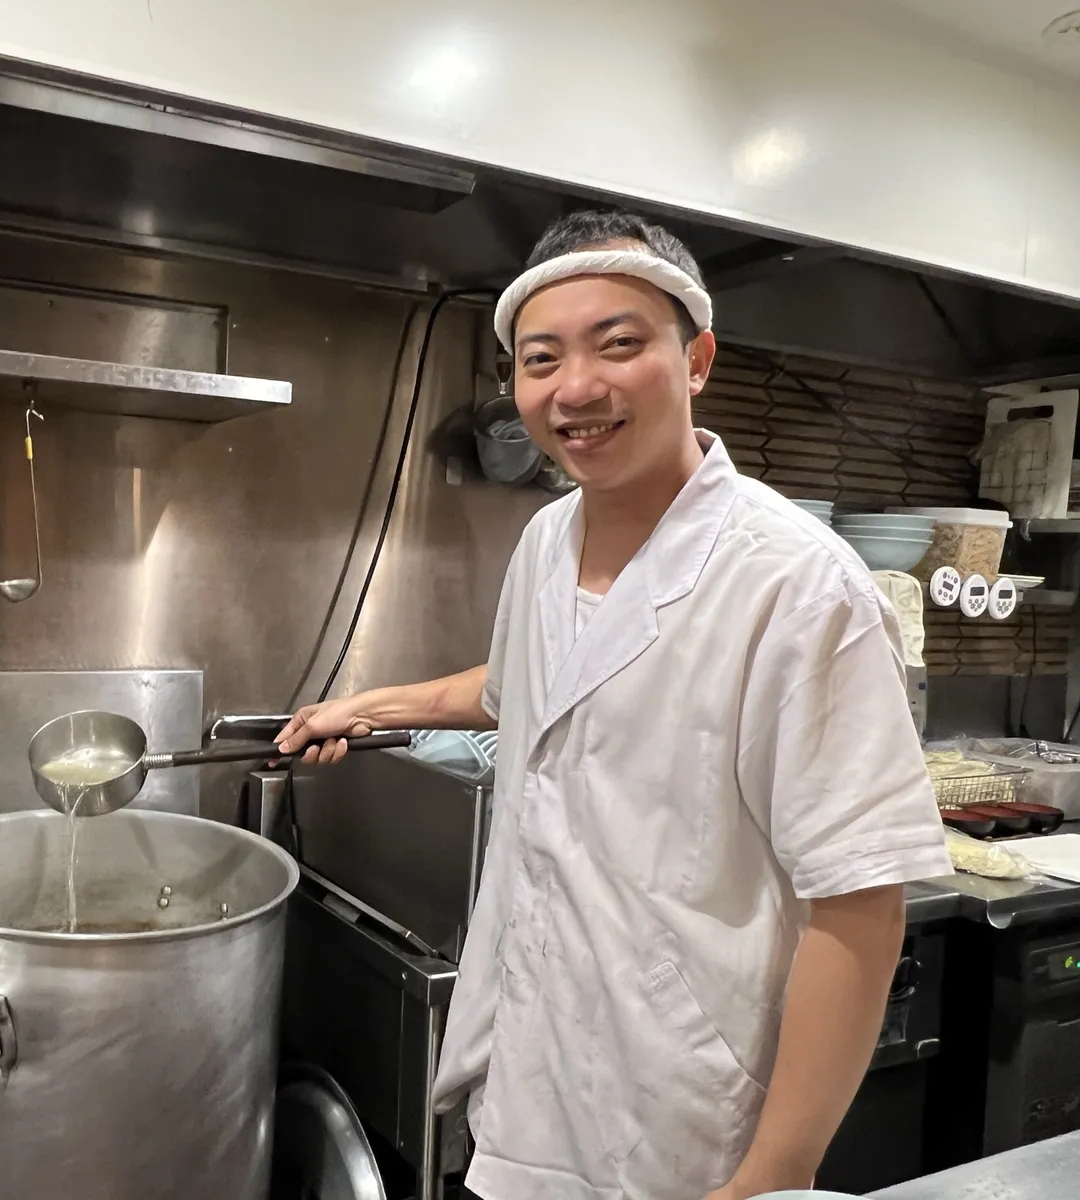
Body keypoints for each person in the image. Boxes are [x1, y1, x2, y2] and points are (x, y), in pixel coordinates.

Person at [273, 210, 953, 1200]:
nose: (576, 388)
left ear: (697, 358)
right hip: (523, 1093)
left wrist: (772, 1177)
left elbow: (858, 903)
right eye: (541, 358)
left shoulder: (803, 591)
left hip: (677, 1125)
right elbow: (520, 688)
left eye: (619, 344)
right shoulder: (546, 540)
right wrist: (372, 706)